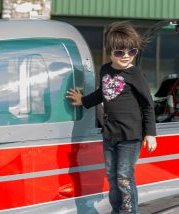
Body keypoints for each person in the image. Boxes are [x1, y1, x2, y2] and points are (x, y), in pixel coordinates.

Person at [66, 21, 157, 214]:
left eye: (131, 52)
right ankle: (117, 209)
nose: (126, 57)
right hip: (110, 134)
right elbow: (103, 93)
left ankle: (130, 211)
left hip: (130, 136)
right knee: (111, 174)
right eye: (119, 52)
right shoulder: (105, 70)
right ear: (110, 52)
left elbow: (147, 104)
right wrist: (84, 100)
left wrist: (150, 133)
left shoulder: (135, 74)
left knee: (124, 176)